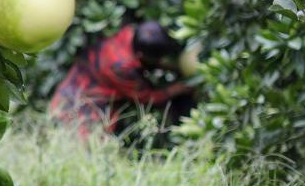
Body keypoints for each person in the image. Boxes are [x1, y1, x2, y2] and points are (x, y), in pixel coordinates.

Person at [49, 21, 196, 144]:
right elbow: (145, 98)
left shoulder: (132, 33)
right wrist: (178, 89)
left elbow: (149, 61)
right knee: (87, 144)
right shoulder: (121, 67)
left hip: (84, 80)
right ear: (140, 55)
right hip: (81, 98)